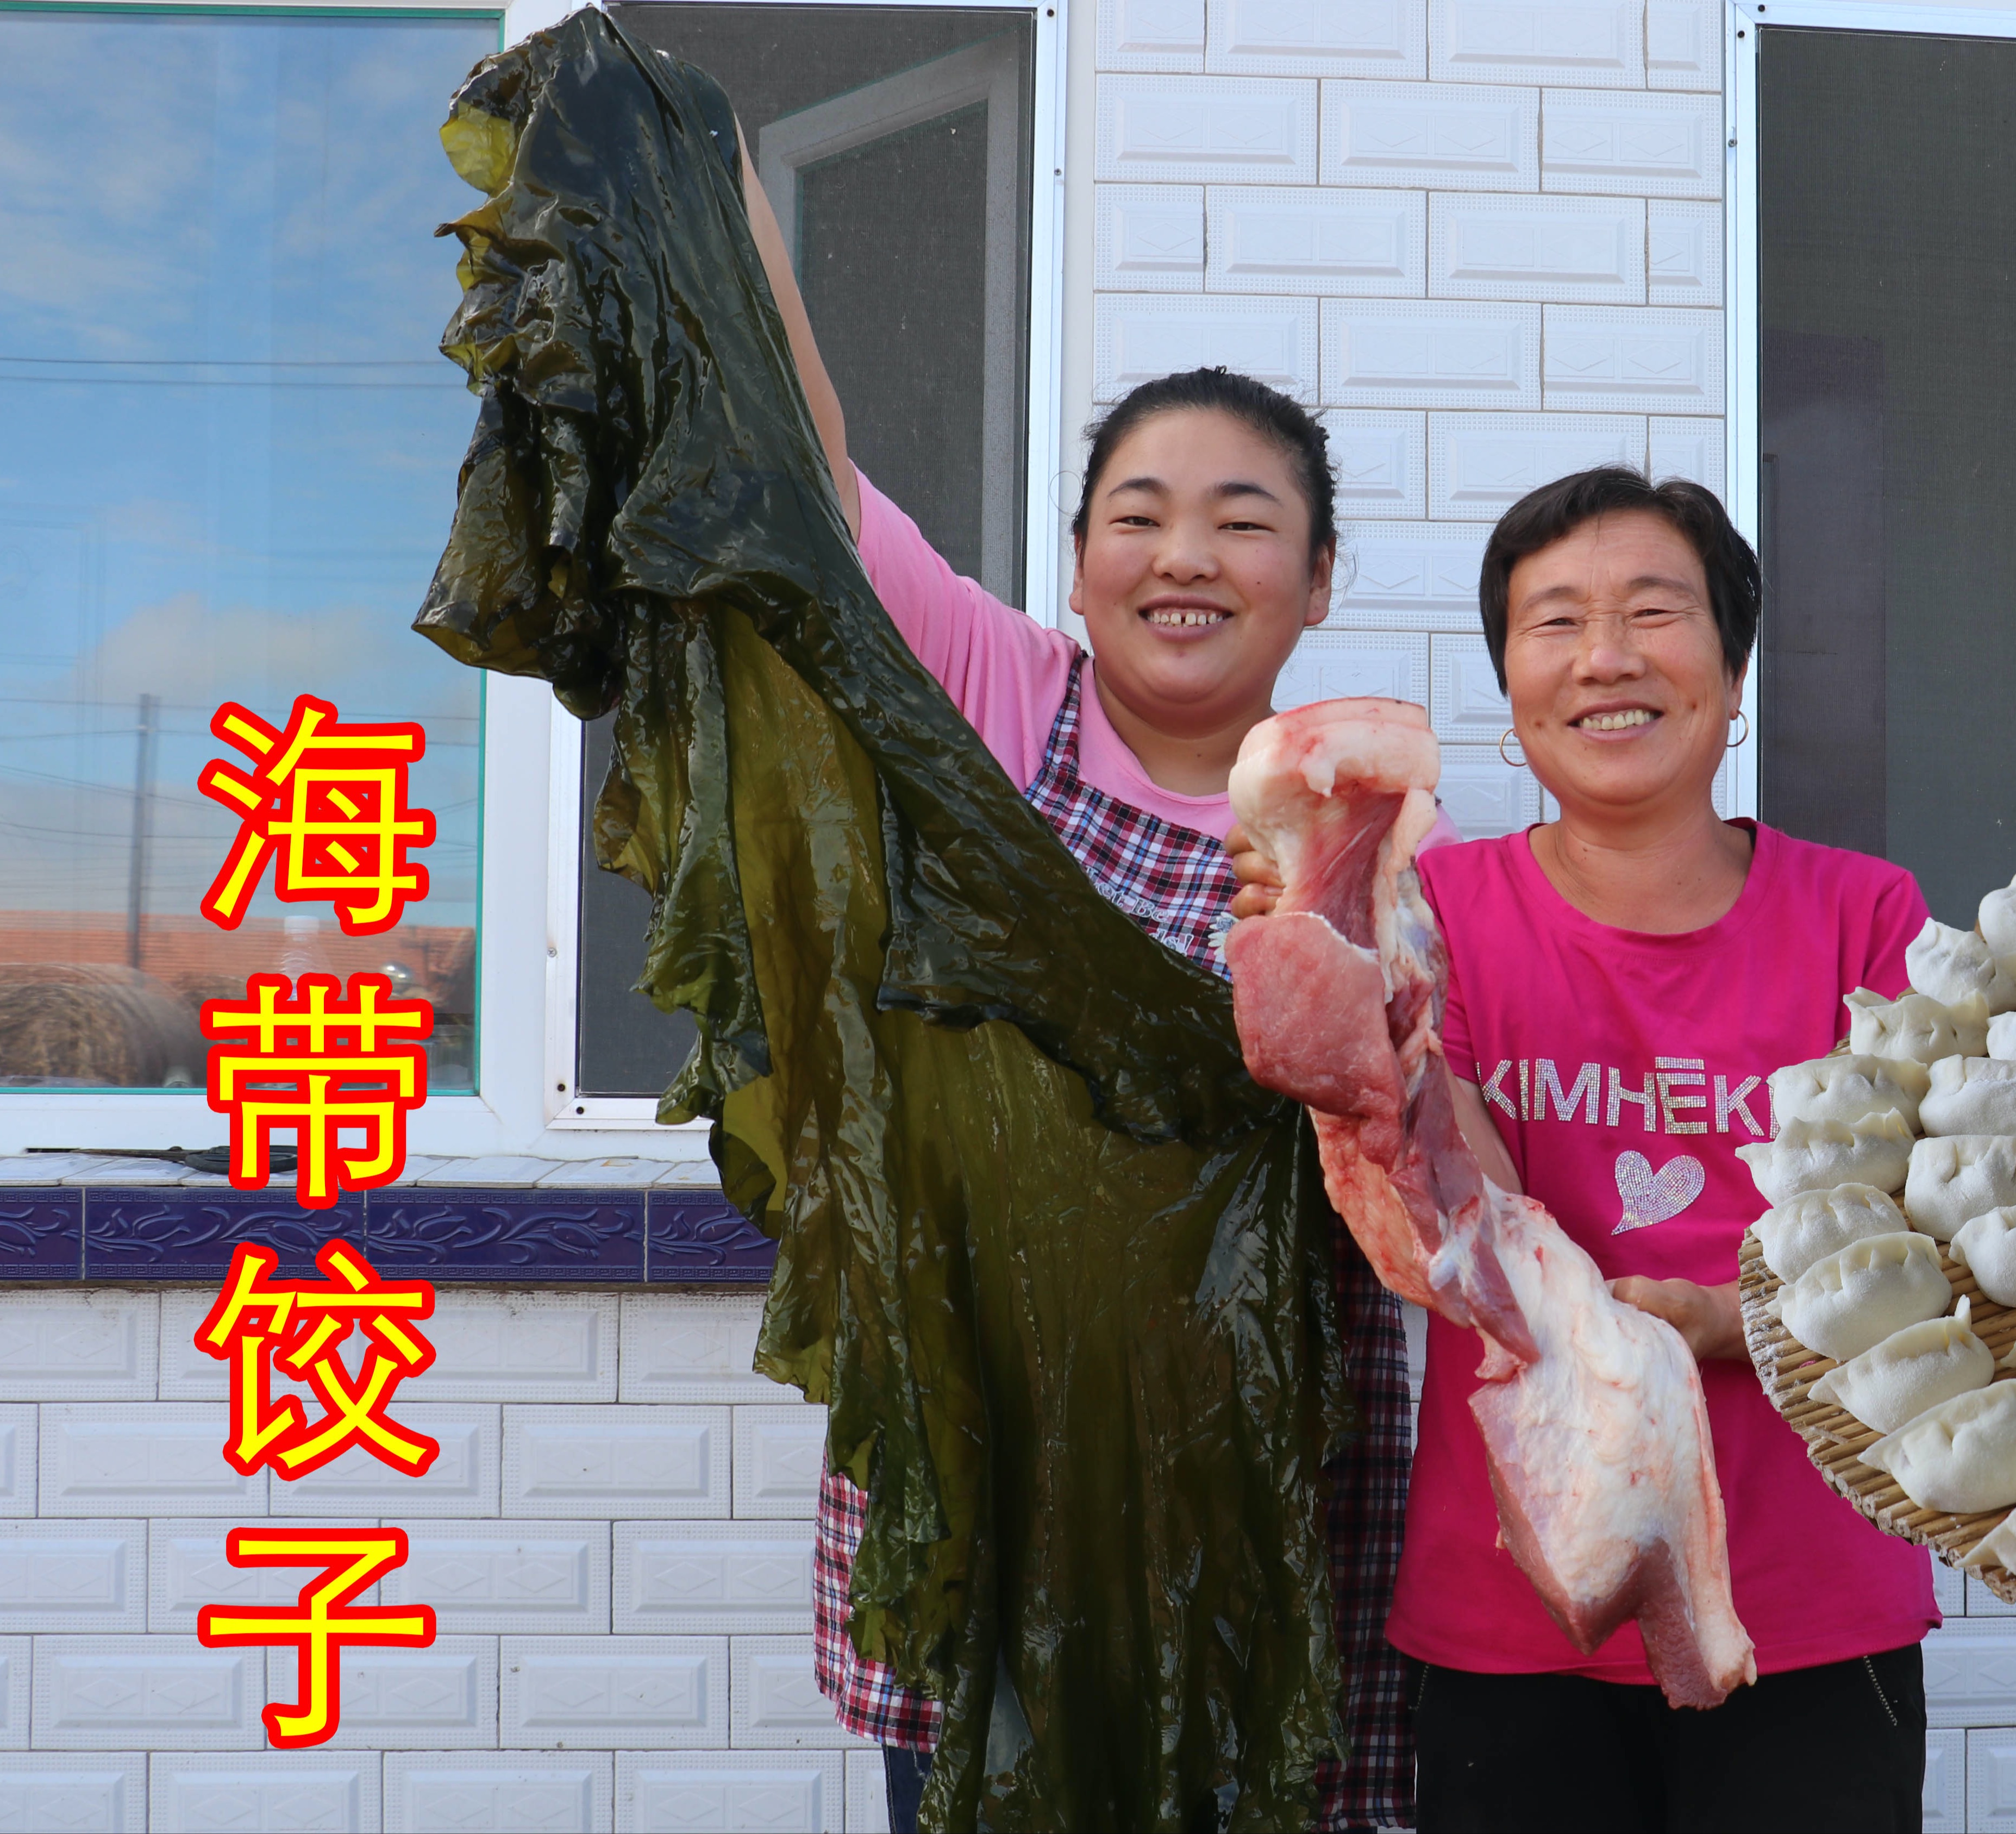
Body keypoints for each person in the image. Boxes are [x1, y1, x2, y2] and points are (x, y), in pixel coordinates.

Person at [735, 143, 1420, 1833]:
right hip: (990, 1445)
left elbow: (1404, 1154)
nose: (1184, 557)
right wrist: (703, 154)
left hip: (1261, 1466)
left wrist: (1327, 988)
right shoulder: (989, 686)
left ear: (1316, 581)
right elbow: (801, 455)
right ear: (1079, 554)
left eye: (1243, 522)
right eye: (1140, 517)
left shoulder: (1370, 805)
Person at [1234, 466, 1936, 1830]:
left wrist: (1740, 1322)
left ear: (1732, 675)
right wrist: (1327, 945)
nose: (1605, 657)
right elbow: (1456, 1217)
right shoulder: (1446, 909)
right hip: (1513, 1611)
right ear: (1511, 691)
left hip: (1813, 1606)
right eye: (1554, 621)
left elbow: (1920, 1244)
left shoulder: (1865, 915)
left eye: (1654, 612)